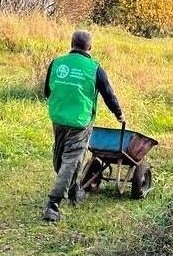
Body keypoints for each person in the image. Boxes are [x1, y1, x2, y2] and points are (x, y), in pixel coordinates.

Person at [42, 29, 124, 222]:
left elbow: (47, 91)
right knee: (70, 161)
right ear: (90, 48)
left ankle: (73, 192)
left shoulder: (57, 62)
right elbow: (109, 95)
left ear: (71, 43)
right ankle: (53, 204)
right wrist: (119, 114)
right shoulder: (94, 68)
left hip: (58, 117)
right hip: (80, 120)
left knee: (62, 159)